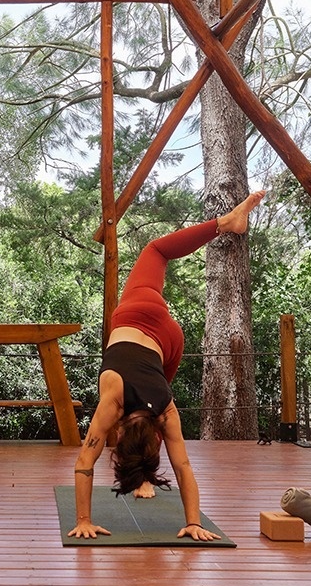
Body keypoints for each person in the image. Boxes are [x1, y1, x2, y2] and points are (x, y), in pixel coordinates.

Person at [68, 191, 265, 541]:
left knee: (161, 417)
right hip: (141, 317)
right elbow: (84, 463)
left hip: (170, 343)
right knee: (154, 250)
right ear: (122, 434)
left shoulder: (165, 409)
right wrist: (193, 524)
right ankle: (225, 223)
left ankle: (144, 478)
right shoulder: (113, 398)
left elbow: (180, 465)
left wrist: (194, 523)